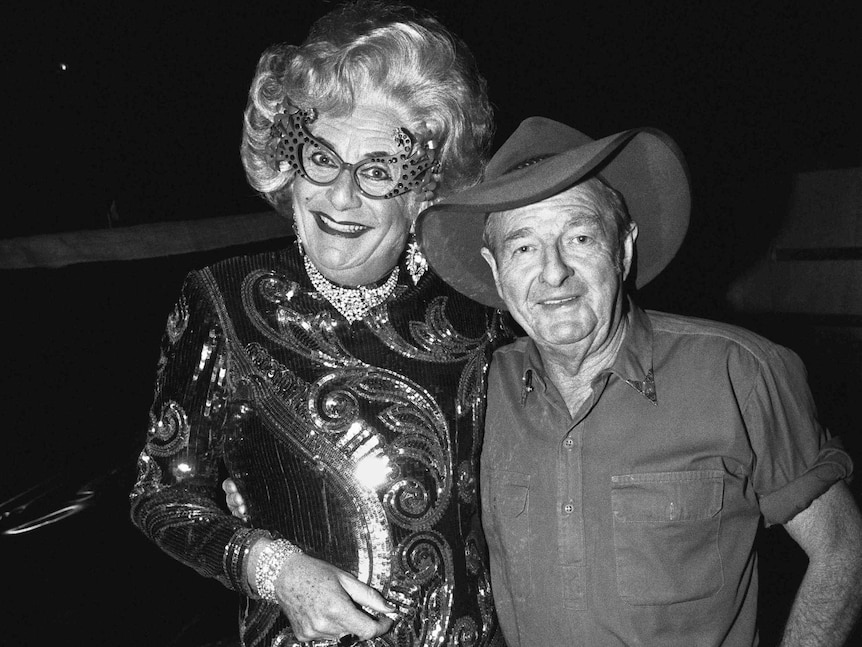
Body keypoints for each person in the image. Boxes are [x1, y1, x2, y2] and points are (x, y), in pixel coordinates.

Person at [129, 2, 509, 646]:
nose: (341, 196)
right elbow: (160, 495)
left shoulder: (483, 311)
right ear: (289, 160)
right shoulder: (222, 300)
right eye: (322, 158)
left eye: (381, 171)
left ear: (426, 192)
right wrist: (276, 570)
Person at [415, 116, 862, 646]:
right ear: (495, 269)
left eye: (580, 236)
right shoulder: (474, 393)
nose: (553, 272)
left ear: (623, 249)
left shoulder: (739, 372)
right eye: (523, 248)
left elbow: (842, 549)